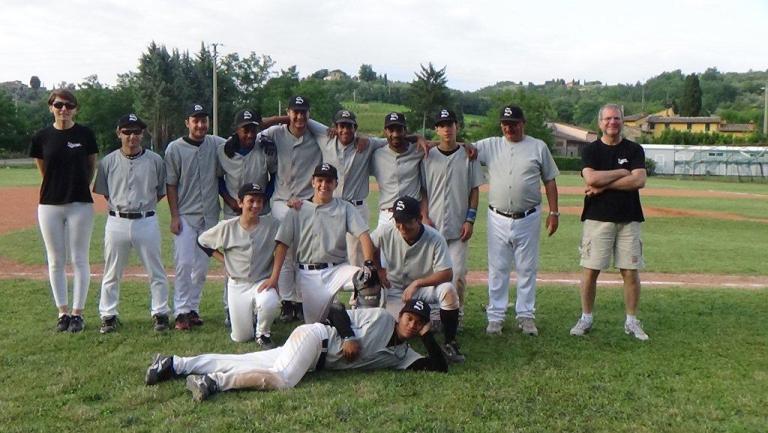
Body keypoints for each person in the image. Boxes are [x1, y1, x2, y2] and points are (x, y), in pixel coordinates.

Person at [144, 299, 447, 401]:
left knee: (244, 360)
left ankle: (175, 363)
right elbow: (338, 309)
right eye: (410, 317)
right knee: (283, 379)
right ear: (401, 314)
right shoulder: (381, 317)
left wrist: (428, 336)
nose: (412, 324)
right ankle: (213, 383)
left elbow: (438, 368)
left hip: (314, 360)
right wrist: (350, 336)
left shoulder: (404, 355)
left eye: (418, 322)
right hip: (316, 339)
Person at [473, 105, 560, 337]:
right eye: (505, 123)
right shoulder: (490, 145)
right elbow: (460, 149)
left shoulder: (538, 146)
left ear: (523, 123)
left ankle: (526, 316)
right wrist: (420, 140)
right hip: (497, 217)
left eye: (513, 123)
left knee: (527, 268)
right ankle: (496, 317)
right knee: (498, 269)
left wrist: (554, 213)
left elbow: (550, 181)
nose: (509, 127)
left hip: (528, 217)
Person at [570, 103, 649, 341]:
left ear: (622, 121)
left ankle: (632, 321)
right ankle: (586, 318)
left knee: (630, 271)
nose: (612, 122)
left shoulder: (635, 149)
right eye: (607, 119)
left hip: (629, 218)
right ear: (600, 123)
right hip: (597, 218)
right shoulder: (591, 150)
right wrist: (622, 172)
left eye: (616, 118)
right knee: (590, 270)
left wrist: (601, 185)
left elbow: (639, 181)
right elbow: (591, 177)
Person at [271, 163, 376, 324]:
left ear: (336, 184)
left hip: (338, 269)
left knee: (368, 280)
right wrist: (274, 278)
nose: (324, 185)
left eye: (329, 181)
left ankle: (362, 323)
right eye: (320, 180)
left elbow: (364, 235)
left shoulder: (345, 207)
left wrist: (369, 263)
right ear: (313, 182)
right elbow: (282, 244)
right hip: (308, 275)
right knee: (317, 327)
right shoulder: (297, 209)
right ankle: (333, 317)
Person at [93, 114, 170, 333]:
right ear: (119, 133)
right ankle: (108, 315)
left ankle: (160, 313)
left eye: (136, 132)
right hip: (116, 221)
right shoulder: (108, 161)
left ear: (142, 134)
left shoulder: (155, 160)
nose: (132, 136)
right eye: (127, 132)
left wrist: (143, 206)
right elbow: (106, 193)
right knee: (111, 271)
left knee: (156, 270)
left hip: (146, 219)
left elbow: (160, 192)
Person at [29, 89, 98, 333]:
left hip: (80, 203)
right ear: (51, 107)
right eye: (58, 105)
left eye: (69, 105)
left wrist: (77, 186)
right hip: (49, 204)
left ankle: (78, 313)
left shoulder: (85, 134)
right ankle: (63, 312)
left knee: (79, 259)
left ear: (75, 109)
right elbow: (43, 168)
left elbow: (91, 166)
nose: (64, 110)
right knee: (55, 260)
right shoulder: (42, 137)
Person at [370, 196, 464, 363]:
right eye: (398, 220)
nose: (401, 226)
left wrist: (418, 283)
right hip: (396, 289)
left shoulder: (434, 237)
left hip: (423, 288)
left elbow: (447, 273)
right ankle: (429, 319)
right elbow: (369, 243)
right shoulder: (388, 229)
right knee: (398, 330)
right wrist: (377, 268)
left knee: (449, 292)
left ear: (420, 219)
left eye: (407, 221)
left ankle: (450, 342)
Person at [260, 95, 323, 322]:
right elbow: (255, 125)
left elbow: (333, 134)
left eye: (303, 112)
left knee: (303, 254)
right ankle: (287, 300)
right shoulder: (276, 133)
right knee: (285, 252)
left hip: (306, 202)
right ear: (288, 112)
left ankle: (299, 300)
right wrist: (281, 119)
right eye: (294, 112)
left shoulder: (316, 136)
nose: (299, 116)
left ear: (309, 113)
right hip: (280, 200)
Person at [165, 103, 225, 330]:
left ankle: (193, 308)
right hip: (186, 215)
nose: (200, 125)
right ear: (187, 122)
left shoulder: (216, 144)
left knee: (200, 268)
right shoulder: (175, 148)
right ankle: (180, 311)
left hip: (209, 215)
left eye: (204, 120)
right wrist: (174, 216)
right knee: (183, 263)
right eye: (195, 120)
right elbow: (171, 184)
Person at [198, 183, 281, 347]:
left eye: (260, 201)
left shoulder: (272, 225)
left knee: (269, 301)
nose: (256, 205)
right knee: (241, 337)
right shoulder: (227, 226)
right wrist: (224, 260)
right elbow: (202, 242)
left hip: (261, 281)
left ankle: (263, 333)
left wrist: (274, 277)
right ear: (241, 202)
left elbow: (282, 245)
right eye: (251, 201)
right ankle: (252, 319)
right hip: (237, 284)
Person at [421, 108, 483, 328]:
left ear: (457, 127)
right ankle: (433, 314)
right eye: (442, 125)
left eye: (450, 124)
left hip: (458, 227)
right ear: (436, 129)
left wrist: (470, 220)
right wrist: (424, 215)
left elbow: (474, 190)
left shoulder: (468, 155)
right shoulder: (427, 155)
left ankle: (456, 314)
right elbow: (423, 191)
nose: (447, 129)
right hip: (432, 226)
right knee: (431, 274)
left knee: (457, 273)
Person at [216, 108, 278, 326]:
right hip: (233, 211)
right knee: (234, 262)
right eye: (245, 129)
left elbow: (273, 176)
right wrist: (230, 199)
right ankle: (229, 308)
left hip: (260, 212)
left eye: (253, 129)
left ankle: (257, 307)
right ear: (237, 129)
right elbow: (219, 179)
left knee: (261, 260)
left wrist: (264, 200)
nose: (250, 134)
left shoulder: (265, 149)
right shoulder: (224, 150)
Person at [306, 109, 381, 266]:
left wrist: (420, 138)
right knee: (327, 255)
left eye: (349, 126)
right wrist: (268, 121)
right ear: (335, 127)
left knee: (357, 259)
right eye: (342, 126)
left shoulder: (367, 144)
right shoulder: (326, 136)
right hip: (331, 207)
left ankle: (359, 290)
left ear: (355, 128)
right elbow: (302, 118)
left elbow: (396, 140)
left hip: (357, 207)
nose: (345, 130)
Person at [370, 112, 427, 228]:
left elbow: (443, 146)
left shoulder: (417, 150)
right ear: (385, 131)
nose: (395, 134)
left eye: (399, 130)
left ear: (405, 131)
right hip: (387, 215)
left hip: (412, 215)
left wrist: (466, 146)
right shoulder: (376, 155)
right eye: (391, 130)